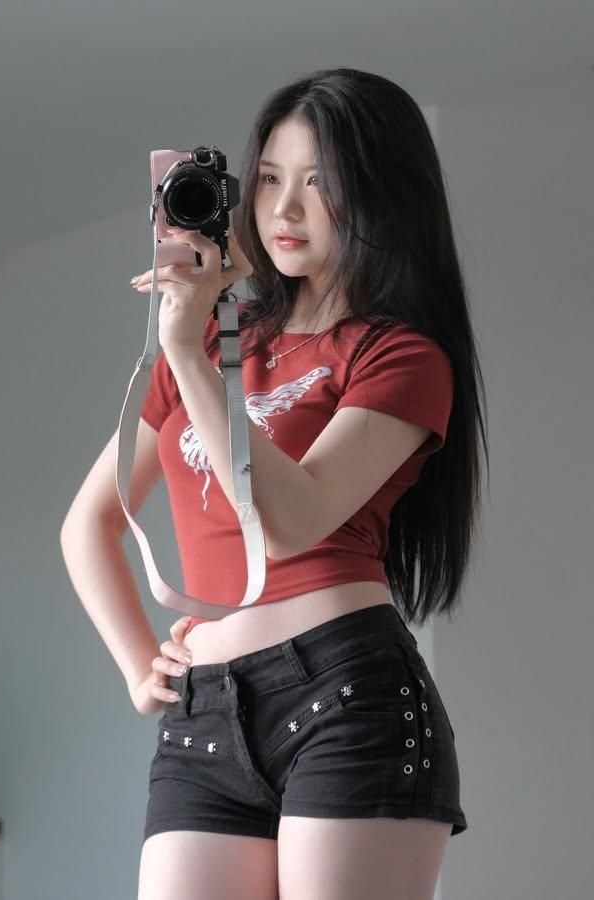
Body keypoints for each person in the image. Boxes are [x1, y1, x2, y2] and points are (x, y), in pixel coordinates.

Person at [61, 66, 488, 900]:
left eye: (319, 184)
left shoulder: (400, 356)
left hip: (347, 696)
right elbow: (88, 523)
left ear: (381, 195)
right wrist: (138, 664)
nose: (285, 209)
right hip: (204, 716)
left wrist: (188, 352)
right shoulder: (206, 348)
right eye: (267, 179)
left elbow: (291, 520)